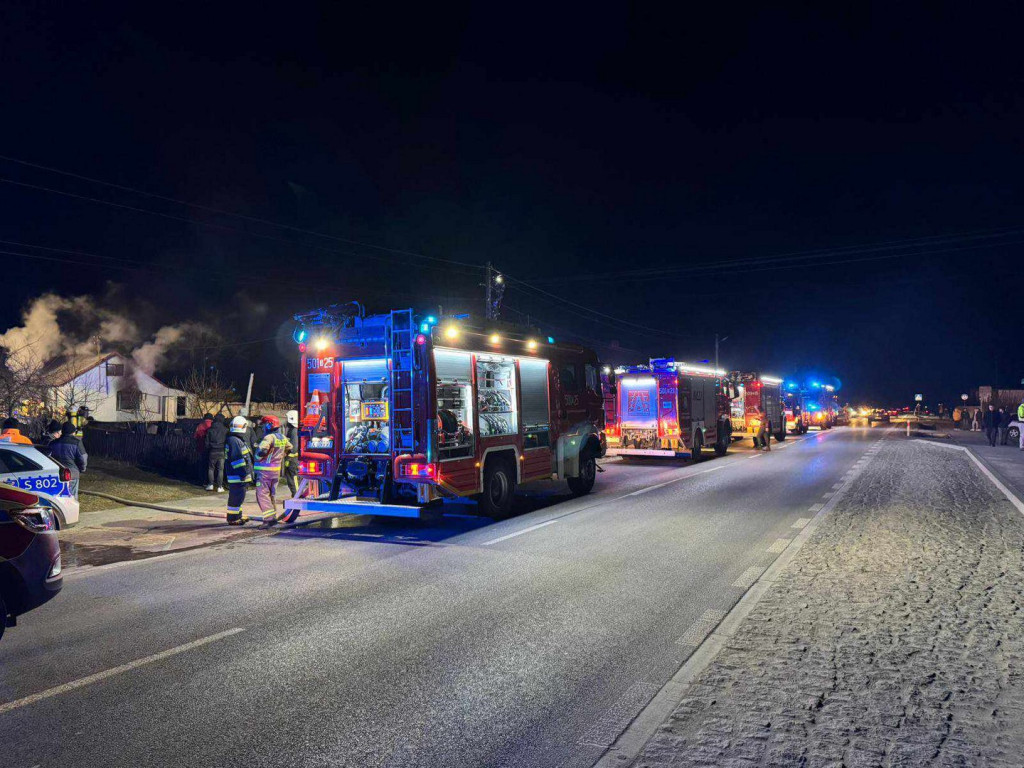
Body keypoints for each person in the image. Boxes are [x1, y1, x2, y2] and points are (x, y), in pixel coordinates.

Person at [253, 415, 293, 524]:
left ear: (269, 425)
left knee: (262, 494)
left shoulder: (269, 438)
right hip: (276, 471)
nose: (262, 428)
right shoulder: (282, 437)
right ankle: (273, 516)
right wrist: (281, 456)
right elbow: (290, 448)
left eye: (264, 425)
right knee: (271, 494)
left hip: (264, 471)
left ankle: (269, 519)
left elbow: (262, 450)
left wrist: (258, 457)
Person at [224, 416, 253, 525]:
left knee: (238, 497)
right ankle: (233, 519)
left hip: (238, 475)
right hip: (238, 476)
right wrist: (243, 473)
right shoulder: (235, 441)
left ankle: (237, 516)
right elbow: (237, 460)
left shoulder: (235, 439)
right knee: (236, 497)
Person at [203, 414, 228, 491]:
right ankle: (220, 486)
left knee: (211, 468)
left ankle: (210, 485)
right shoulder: (226, 430)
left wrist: (208, 449)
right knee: (220, 469)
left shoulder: (210, 430)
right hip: (222, 451)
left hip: (212, 451)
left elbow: (206, 442)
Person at [282, 410, 300, 497]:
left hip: (293, 460)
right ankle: (296, 494)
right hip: (293, 459)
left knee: (294, 478)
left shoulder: (294, 431)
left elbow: (294, 447)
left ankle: (297, 495)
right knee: (292, 478)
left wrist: (289, 459)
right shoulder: (293, 430)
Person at [194, 413, 213, 481]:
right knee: (211, 466)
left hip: (201, 448)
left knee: (202, 465)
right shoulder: (213, 425)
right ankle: (211, 481)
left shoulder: (200, 426)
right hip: (211, 449)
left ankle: (202, 480)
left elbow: (195, 436)